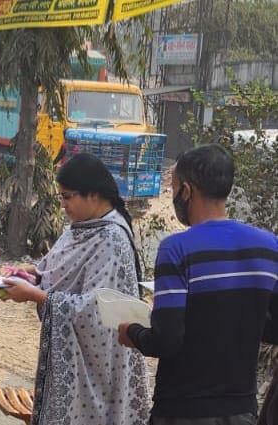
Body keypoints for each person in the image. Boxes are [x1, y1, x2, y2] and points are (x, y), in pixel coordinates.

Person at [118, 144, 278, 425]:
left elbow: (166, 340)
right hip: (241, 409)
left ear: (187, 191)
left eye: (174, 189)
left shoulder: (177, 249)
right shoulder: (268, 246)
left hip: (181, 409)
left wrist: (132, 332)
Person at [1, 153, 151, 424]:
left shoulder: (112, 239)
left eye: (68, 197)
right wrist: (30, 274)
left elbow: (95, 310)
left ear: (93, 195)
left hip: (101, 362)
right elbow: (55, 268)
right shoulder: (80, 228)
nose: (62, 204)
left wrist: (34, 294)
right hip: (76, 356)